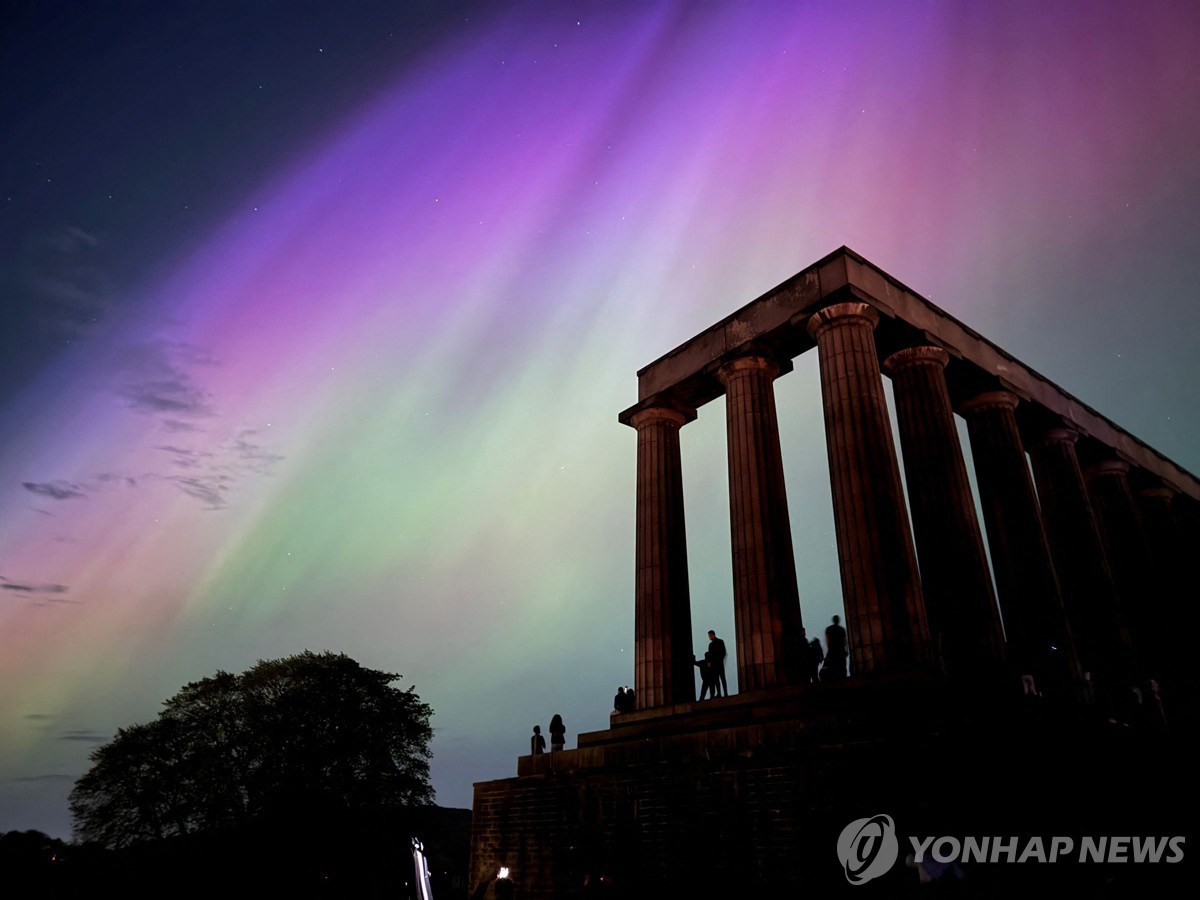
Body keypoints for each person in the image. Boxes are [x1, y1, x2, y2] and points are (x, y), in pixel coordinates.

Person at [821, 614, 848, 681]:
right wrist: (846, 650)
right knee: (841, 665)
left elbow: (827, 640)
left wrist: (828, 648)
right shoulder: (841, 629)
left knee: (833, 665)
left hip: (832, 650)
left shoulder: (829, 629)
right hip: (840, 650)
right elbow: (845, 641)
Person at [707, 629, 728, 697]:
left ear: (713, 635)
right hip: (716, 664)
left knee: (721, 678)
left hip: (717, 663)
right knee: (718, 679)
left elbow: (723, 652)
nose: (709, 637)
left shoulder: (719, 642)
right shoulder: (712, 644)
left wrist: (717, 660)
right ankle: (721, 693)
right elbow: (710, 655)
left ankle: (723, 693)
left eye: (710, 635)